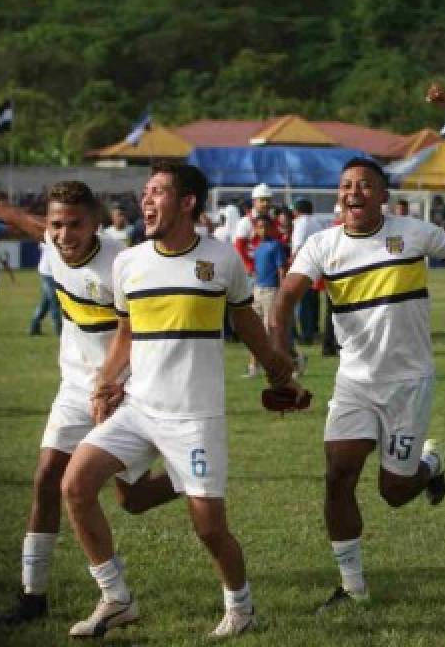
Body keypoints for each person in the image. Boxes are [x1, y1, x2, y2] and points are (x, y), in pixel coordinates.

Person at [58, 163, 299, 638]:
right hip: (139, 411)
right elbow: (125, 334)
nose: (145, 201)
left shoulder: (222, 260)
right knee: (76, 486)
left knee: (209, 529)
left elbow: (247, 325)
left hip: (194, 417)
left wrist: (277, 372)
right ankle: (115, 597)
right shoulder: (129, 263)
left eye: (158, 193)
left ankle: (241, 608)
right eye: (144, 193)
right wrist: (107, 384)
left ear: (187, 202)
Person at [270, 158, 445, 611]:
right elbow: (286, 297)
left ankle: (430, 465)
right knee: (338, 476)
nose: (354, 192)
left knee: (395, 493)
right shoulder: (322, 245)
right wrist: (278, 351)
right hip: (355, 382)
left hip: (408, 383)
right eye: (346, 186)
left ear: (384, 196)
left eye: (365, 185)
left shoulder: (415, 233)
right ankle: (352, 586)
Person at [0, 185, 179, 627]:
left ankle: (193, 476)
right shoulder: (52, 244)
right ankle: (33, 594)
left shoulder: (123, 265)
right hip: (76, 389)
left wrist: (111, 384)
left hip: (124, 392)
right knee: (47, 478)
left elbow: (136, 334)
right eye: (57, 225)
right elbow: (31, 224)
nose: (64, 234)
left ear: (97, 222)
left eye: (75, 224)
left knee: (130, 499)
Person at [247, 214, 290, 377]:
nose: (262, 230)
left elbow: (281, 269)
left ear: (271, 228)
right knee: (254, 329)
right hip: (258, 290)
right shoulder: (257, 248)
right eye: (259, 227)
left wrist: (282, 290)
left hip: (272, 291)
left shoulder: (276, 246)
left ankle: (291, 360)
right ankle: (253, 366)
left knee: (270, 330)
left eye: (265, 226)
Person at [289, 199, 326, 344]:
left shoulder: (301, 223)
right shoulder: (316, 223)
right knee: (312, 302)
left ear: (298, 210)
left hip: (304, 266)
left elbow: (297, 246)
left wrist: (292, 265)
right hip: (317, 266)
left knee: (303, 303)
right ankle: (312, 329)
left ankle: (306, 334)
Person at [233, 183, 282, 274]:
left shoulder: (274, 221)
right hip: (252, 273)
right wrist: (250, 267)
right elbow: (239, 248)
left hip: (271, 272)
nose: (266, 204)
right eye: (262, 200)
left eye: (268, 200)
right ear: (254, 202)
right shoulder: (245, 222)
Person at [29, 239, 63, 336]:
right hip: (48, 273)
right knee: (54, 302)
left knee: (45, 303)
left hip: (55, 273)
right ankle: (59, 330)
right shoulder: (47, 238)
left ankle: (34, 327)